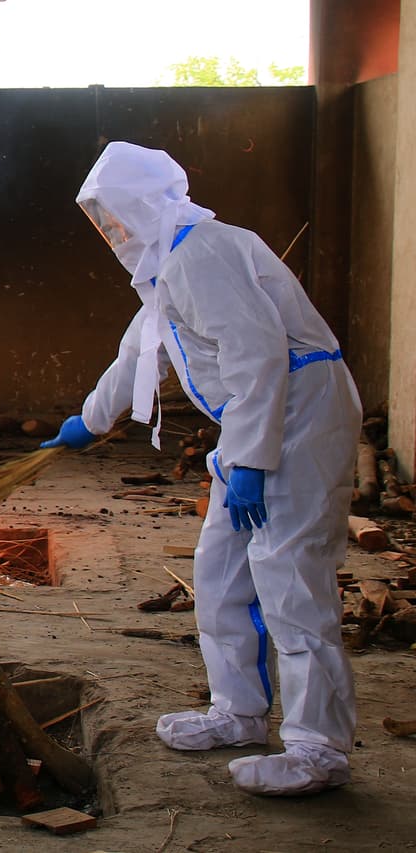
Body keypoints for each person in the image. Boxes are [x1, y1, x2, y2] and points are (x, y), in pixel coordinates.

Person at [41, 141, 362, 797]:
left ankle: (317, 748)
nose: (111, 232)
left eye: (114, 216)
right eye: (101, 221)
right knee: (220, 568)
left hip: (299, 419)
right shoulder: (167, 270)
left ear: (142, 204)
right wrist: (88, 420)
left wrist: (247, 462)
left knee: (290, 576)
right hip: (256, 425)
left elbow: (260, 359)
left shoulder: (203, 253)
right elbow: (138, 356)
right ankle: (238, 712)